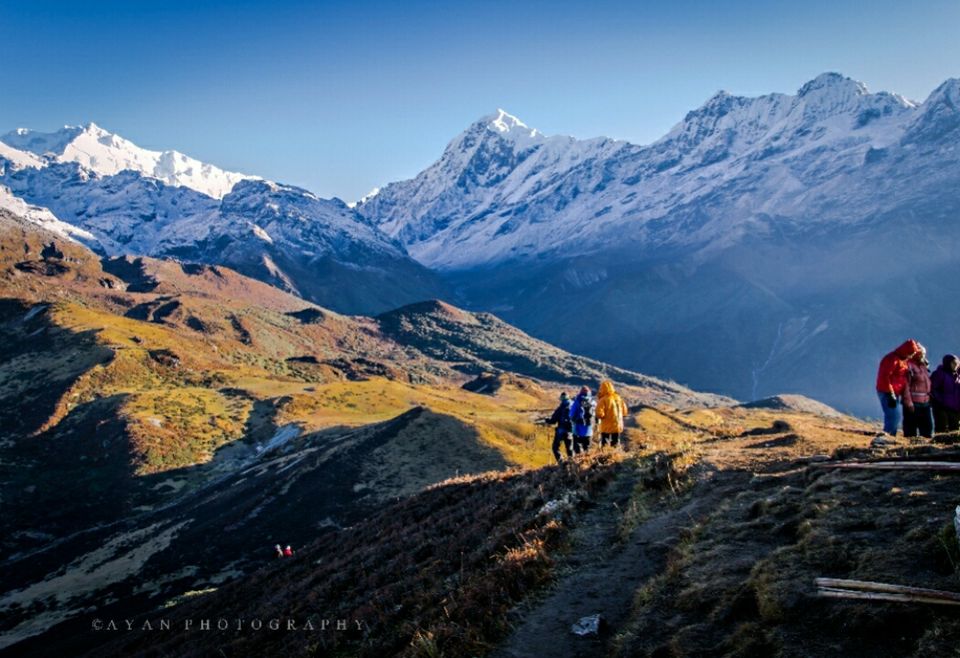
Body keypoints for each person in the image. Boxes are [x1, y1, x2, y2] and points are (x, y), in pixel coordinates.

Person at [875, 339, 921, 437]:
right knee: (893, 416)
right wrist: (890, 393)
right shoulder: (892, 360)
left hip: (894, 392)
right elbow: (885, 377)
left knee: (894, 416)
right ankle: (886, 438)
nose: (912, 356)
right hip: (886, 392)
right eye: (911, 353)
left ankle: (890, 437)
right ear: (906, 351)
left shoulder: (902, 359)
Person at [902, 347, 933, 439]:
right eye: (920, 353)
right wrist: (908, 402)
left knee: (927, 429)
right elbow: (905, 386)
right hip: (913, 403)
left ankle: (927, 448)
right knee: (911, 429)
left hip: (925, 403)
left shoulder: (923, 366)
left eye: (924, 353)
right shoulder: (908, 366)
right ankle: (910, 449)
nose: (922, 355)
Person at [931, 354, 960, 434]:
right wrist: (940, 401)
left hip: (955, 408)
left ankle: (952, 446)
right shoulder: (939, 374)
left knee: (955, 430)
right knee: (942, 429)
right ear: (947, 363)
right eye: (953, 363)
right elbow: (933, 389)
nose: (955, 365)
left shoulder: (957, 376)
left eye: (957, 363)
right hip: (942, 407)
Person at [595, 380, 628, 448]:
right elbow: (624, 412)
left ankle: (604, 455)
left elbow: (599, 413)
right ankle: (615, 454)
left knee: (605, 442)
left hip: (607, 425)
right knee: (615, 441)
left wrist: (603, 417)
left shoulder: (603, 400)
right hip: (618, 425)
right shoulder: (618, 398)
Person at [546, 392, 574, 463]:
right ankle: (572, 462)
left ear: (561, 399)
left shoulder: (561, 408)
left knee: (555, 447)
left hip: (561, 431)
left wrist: (548, 421)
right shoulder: (573, 405)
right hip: (571, 431)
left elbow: (553, 421)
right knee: (569, 448)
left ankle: (561, 462)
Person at [570, 386, 595, 454]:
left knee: (576, 445)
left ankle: (578, 459)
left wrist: (572, 419)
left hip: (578, 427)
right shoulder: (592, 401)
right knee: (587, 447)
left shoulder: (577, 400)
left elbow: (571, 413)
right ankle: (587, 459)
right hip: (589, 428)